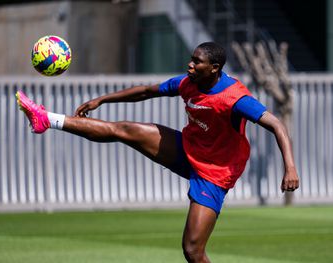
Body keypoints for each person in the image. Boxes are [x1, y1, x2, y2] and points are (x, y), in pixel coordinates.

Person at [16, 42, 299, 263]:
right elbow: (147, 91)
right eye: (191, 58)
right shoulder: (189, 82)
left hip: (216, 173)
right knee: (124, 130)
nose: (190, 64)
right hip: (187, 149)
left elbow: (276, 124)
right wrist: (102, 99)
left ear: (214, 68)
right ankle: (47, 119)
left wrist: (290, 167)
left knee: (192, 250)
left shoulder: (234, 98)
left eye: (196, 62)